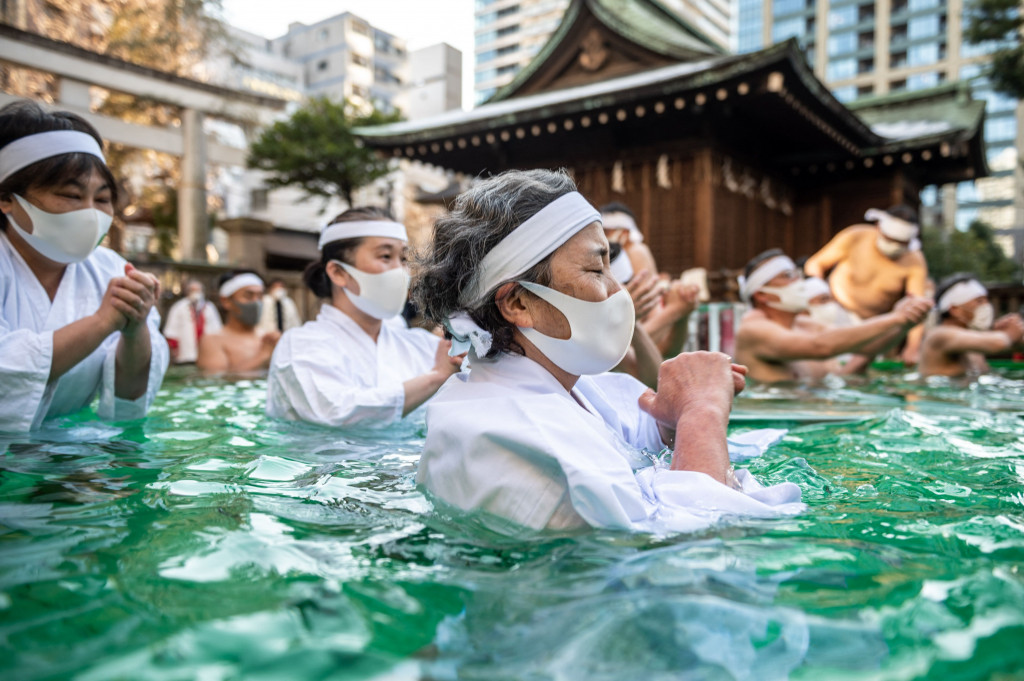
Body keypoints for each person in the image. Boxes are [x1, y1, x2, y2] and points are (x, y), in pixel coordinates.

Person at [413, 169, 804, 534]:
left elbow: (630, 437)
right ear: (518, 303)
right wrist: (702, 413)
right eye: (596, 270)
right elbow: (692, 555)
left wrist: (671, 421)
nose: (619, 291)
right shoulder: (509, 431)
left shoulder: (573, 389)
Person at [0, 100, 168, 432]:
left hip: (63, 454)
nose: (90, 213)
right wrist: (103, 322)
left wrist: (134, 330)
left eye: (103, 200)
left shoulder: (111, 270)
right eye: (71, 195)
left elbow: (126, 403)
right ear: (6, 198)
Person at [266, 207, 461, 428]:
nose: (400, 271)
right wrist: (435, 377)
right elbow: (335, 412)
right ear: (339, 273)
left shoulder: (421, 346)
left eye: (403, 258)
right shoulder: (299, 346)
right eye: (385, 256)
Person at [734, 249, 932, 383]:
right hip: (773, 429)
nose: (799, 282)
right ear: (761, 294)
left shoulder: (805, 325)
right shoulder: (752, 329)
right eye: (788, 276)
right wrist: (894, 318)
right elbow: (820, 347)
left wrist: (906, 322)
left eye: (797, 274)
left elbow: (871, 346)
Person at [804, 205, 929, 364]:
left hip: (875, 325)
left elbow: (916, 305)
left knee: (860, 369)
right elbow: (815, 264)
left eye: (900, 243)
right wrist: (819, 296)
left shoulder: (914, 261)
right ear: (878, 228)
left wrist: (913, 348)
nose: (894, 245)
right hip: (836, 310)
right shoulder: (855, 236)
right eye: (890, 239)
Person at [919, 274, 1024, 377]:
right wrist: (1010, 333)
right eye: (979, 301)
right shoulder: (939, 335)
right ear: (955, 310)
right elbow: (999, 343)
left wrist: (1015, 333)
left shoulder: (972, 340)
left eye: (986, 300)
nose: (986, 306)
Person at [196, 270, 279, 374]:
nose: (256, 302)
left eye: (259, 296)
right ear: (226, 301)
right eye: (248, 296)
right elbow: (217, 383)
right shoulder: (213, 341)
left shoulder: (267, 338)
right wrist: (263, 355)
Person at [162, 279, 222, 364]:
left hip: (207, 354)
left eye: (198, 290)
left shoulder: (210, 308)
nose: (196, 293)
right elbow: (171, 330)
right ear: (187, 292)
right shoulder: (179, 307)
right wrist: (174, 348)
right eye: (193, 290)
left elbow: (217, 330)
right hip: (185, 354)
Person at [600, 202, 659, 279]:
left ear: (625, 232)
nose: (604, 235)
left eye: (607, 232)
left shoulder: (636, 251)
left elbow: (641, 286)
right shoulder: (625, 251)